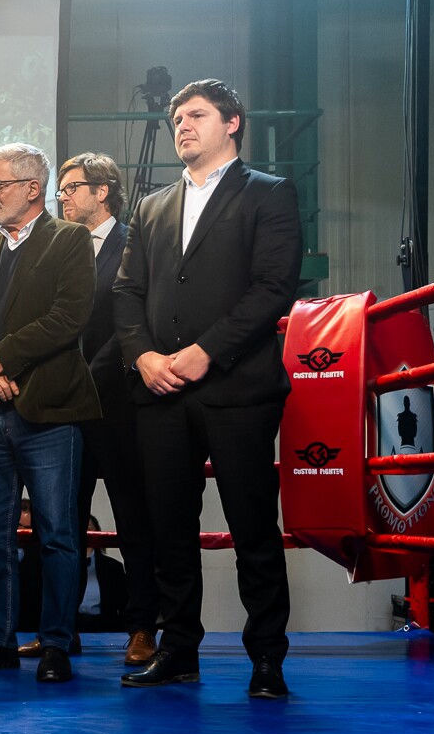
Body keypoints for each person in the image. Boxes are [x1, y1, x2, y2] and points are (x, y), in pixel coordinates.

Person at [114, 79, 302, 698]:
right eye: (176, 119)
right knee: (169, 529)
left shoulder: (269, 192)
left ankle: (267, 659)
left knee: (253, 527)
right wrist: (143, 356)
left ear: (233, 122)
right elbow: (126, 292)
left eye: (196, 115)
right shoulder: (152, 206)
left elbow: (273, 287)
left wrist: (205, 352)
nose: (182, 126)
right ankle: (178, 651)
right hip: (160, 392)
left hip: (238, 388)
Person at [0, 142, 99, 684]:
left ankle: (55, 644)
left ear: (33, 189)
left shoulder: (69, 239)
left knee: (57, 535)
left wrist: (1, 357)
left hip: (51, 413)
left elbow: (69, 315)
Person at [17, 152, 158, 666]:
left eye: (72, 188)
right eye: (60, 190)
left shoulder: (133, 244)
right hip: (61, 410)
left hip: (116, 406)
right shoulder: (54, 245)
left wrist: (81, 377)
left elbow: (131, 324)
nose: (63, 198)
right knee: (60, 524)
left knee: (133, 520)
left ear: (103, 191)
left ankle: (142, 628)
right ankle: (59, 629)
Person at [75, 516, 127, 633]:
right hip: (72, 627)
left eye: (89, 529)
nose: (85, 534)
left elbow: (124, 605)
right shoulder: (62, 567)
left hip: (106, 629)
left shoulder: (113, 567)